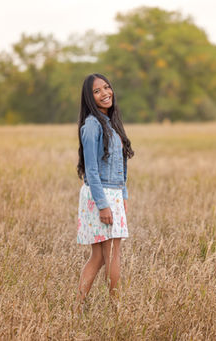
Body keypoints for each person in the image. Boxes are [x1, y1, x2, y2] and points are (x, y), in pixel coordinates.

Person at [76, 73, 134, 303]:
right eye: (97, 91)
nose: (104, 93)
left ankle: (77, 307)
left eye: (107, 88)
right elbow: (91, 170)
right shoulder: (92, 125)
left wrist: (123, 195)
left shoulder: (110, 122)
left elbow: (120, 165)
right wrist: (103, 205)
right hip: (101, 195)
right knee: (111, 255)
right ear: (89, 98)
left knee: (101, 256)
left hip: (112, 193)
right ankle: (117, 307)